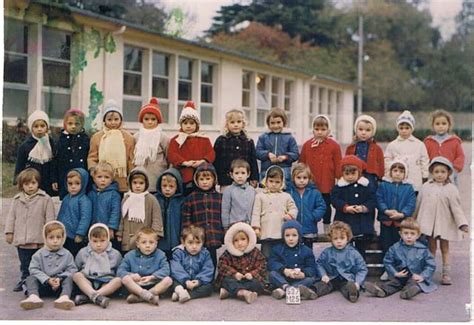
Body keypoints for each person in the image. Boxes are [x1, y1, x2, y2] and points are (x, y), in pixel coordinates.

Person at [413, 156, 468, 285]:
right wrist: (413, 220)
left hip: (444, 223)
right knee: (431, 247)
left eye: (443, 172)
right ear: (432, 172)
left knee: (445, 247)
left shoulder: (451, 189)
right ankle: (430, 271)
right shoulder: (426, 186)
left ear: (448, 173)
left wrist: (462, 224)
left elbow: (456, 208)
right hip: (429, 223)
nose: (439, 175)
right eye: (436, 172)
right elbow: (418, 204)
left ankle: (446, 272)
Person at [5, 168, 55, 292]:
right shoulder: (17, 200)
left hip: (38, 238)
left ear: (38, 183)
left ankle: (40, 281)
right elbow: (11, 217)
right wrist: (9, 232)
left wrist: (51, 235)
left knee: (40, 262)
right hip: (22, 238)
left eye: (33, 183)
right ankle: (25, 280)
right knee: (25, 263)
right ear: (22, 185)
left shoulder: (45, 199)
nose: (30, 187)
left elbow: (50, 219)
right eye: (27, 184)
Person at [365, 218, 437, 300]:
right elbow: (388, 261)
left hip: (415, 276)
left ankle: (408, 292)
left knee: (414, 283)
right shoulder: (395, 248)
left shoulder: (423, 250)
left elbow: (430, 265)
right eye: (406, 233)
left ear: (418, 235)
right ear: (400, 234)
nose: (409, 236)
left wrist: (422, 276)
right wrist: (395, 273)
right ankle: (381, 291)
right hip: (400, 275)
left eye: (412, 234)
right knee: (393, 283)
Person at [20, 221, 77, 310]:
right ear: (45, 238)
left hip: (59, 286)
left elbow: (72, 269)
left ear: (63, 238)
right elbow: (33, 269)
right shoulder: (38, 254)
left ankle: (64, 297)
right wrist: (47, 279)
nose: (55, 241)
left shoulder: (67, 254)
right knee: (30, 278)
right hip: (43, 285)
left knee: (69, 279)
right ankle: (34, 297)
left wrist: (60, 278)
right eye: (51, 237)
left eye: (58, 237)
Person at [299, 114, 342, 234]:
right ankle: (310, 227)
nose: (320, 132)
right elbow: (302, 162)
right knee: (310, 205)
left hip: (327, 182)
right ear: (312, 129)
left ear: (328, 130)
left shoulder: (334, 146)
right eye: (317, 129)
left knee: (326, 205)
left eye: (323, 129)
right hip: (311, 183)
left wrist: (339, 178)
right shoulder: (308, 145)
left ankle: (326, 226)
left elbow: (338, 163)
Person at [376, 159, 416, 280]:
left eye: (401, 171)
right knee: (386, 245)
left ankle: (402, 269)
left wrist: (402, 214)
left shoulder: (408, 188)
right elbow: (379, 199)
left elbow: (411, 203)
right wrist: (386, 210)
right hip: (387, 221)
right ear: (390, 172)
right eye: (395, 170)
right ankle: (388, 270)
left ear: (405, 174)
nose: (397, 173)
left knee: (400, 246)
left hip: (401, 223)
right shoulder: (384, 185)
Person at [331, 155, 377, 257]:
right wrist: (345, 207)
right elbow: (334, 200)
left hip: (363, 224)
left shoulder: (366, 185)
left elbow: (373, 199)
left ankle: (360, 267)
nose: (350, 176)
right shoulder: (339, 187)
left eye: (353, 173)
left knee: (361, 250)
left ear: (359, 172)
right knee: (344, 247)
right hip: (345, 221)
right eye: (347, 174)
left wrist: (364, 207)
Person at [312, 221, 368, 303]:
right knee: (322, 285)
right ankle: (312, 292)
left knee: (347, 286)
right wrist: (323, 275)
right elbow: (319, 264)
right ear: (331, 239)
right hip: (331, 278)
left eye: (342, 238)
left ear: (348, 238)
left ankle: (352, 294)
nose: (339, 241)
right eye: (335, 238)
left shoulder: (353, 253)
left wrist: (357, 282)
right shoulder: (327, 252)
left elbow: (362, 269)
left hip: (346, 278)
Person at [182, 163, 224, 268]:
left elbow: (224, 216)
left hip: (213, 234)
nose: (205, 182)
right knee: (197, 260)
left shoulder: (220, 197)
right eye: (201, 179)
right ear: (196, 181)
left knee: (212, 259)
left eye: (208, 179)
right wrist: (188, 234)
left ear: (214, 179)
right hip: (197, 236)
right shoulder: (191, 198)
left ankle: (210, 281)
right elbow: (186, 218)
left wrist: (223, 231)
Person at [168, 101, 215, 194]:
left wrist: (202, 161)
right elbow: (172, 154)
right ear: (181, 125)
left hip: (201, 174)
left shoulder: (204, 139)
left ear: (196, 125)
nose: (188, 126)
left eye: (191, 123)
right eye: (185, 123)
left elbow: (211, 153)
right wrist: (185, 162)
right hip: (183, 174)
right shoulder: (176, 140)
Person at [88, 99, 135, 193]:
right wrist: (93, 171)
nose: (113, 122)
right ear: (104, 120)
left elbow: (131, 159)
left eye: (116, 119)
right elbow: (92, 157)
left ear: (121, 120)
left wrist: (132, 176)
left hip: (121, 179)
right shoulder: (97, 137)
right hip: (103, 178)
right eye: (109, 119)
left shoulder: (128, 137)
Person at [117, 227, 173, 305]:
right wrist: (131, 275)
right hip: (136, 285)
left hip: (153, 284)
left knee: (168, 280)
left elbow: (166, 270)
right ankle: (144, 294)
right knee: (125, 279)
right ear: (137, 244)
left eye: (151, 242)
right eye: (144, 242)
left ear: (156, 243)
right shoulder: (130, 255)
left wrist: (153, 277)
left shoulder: (161, 255)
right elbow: (120, 271)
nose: (147, 246)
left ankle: (143, 296)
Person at [251, 165, 298, 258]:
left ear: (282, 183)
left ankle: (279, 270)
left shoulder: (286, 196)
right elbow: (256, 213)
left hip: (280, 230)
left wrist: (290, 215)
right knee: (266, 254)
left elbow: (294, 208)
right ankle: (267, 271)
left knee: (280, 254)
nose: (273, 184)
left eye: (277, 182)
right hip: (266, 230)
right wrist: (256, 227)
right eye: (271, 181)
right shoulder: (260, 196)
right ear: (266, 181)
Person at [73, 223, 122, 308]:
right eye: (95, 241)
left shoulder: (115, 254)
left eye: (102, 241)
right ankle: (94, 295)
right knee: (77, 275)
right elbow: (75, 268)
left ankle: (89, 297)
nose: (98, 244)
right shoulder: (83, 252)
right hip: (88, 281)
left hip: (106, 282)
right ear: (89, 240)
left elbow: (119, 270)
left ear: (108, 239)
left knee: (118, 280)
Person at [217, 222, 267, 304]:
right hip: (235, 280)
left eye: (243, 239)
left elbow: (262, 265)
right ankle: (242, 293)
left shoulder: (255, 252)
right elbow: (222, 265)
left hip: (249, 280)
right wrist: (235, 274)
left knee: (258, 284)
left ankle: (229, 292)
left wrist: (252, 274)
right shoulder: (228, 253)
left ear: (248, 239)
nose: (240, 243)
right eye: (236, 240)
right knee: (226, 281)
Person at [268, 220, 317, 300]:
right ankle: (289, 288)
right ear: (283, 236)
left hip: (299, 278)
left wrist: (303, 273)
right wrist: (284, 270)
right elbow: (272, 262)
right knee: (272, 274)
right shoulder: (278, 249)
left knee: (310, 279)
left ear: (299, 236)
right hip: (283, 277)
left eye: (294, 235)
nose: (291, 239)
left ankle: (284, 291)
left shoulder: (306, 250)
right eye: (287, 235)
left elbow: (311, 267)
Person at [117, 168, 163, 253]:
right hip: (129, 235)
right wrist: (120, 232)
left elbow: (156, 218)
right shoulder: (127, 199)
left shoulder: (151, 199)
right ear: (130, 183)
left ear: (146, 184)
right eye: (135, 183)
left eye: (141, 183)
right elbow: (122, 217)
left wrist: (155, 233)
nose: (138, 186)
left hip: (146, 237)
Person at [384, 110, 429, 193]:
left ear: (412, 129)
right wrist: (388, 176)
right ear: (397, 128)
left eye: (407, 128)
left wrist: (425, 176)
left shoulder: (419, 144)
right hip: (397, 180)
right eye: (401, 128)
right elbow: (387, 160)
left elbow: (424, 160)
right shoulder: (392, 145)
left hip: (415, 180)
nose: (404, 131)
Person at [14, 110, 57, 197]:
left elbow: (54, 163)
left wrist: (54, 180)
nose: (39, 129)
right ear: (31, 128)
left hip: (47, 181)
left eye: (42, 126)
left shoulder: (51, 143)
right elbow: (20, 165)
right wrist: (18, 180)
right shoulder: (25, 146)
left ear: (47, 127)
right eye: (36, 126)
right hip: (32, 182)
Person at [213, 109, 259, 190]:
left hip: (244, 180)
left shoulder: (248, 141)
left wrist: (254, 178)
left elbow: (253, 161)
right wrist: (215, 176)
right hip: (226, 180)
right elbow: (216, 161)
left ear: (243, 124)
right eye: (232, 122)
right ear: (227, 124)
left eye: (238, 122)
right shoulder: (221, 140)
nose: (236, 125)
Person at [133, 98, 170, 193]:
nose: (150, 122)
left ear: (158, 120)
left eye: (153, 119)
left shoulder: (163, 137)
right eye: (146, 119)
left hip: (157, 174)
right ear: (142, 120)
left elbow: (168, 156)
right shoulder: (137, 136)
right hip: (140, 178)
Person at [170, 225, 214, 303]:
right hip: (182, 281)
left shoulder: (205, 253)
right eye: (190, 243)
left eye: (198, 243)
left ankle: (187, 294)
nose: (194, 246)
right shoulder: (178, 252)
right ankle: (180, 291)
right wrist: (185, 281)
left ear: (203, 242)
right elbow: (176, 268)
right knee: (172, 281)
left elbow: (208, 269)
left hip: (196, 282)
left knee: (208, 287)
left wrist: (198, 281)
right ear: (183, 242)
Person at [286, 163, 326, 248]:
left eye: (305, 178)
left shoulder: (314, 192)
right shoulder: (289, 192)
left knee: (307, 251)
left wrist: (314, 216)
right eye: (298, 178)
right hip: (293, 229)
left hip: (309, 229)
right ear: (293, 178)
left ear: (309, 178)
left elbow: (321, 206)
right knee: (293, 251)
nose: (301, 180)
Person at [256, 108, 299, 184]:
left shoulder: (289, 138)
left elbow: (295, 154)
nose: (276, 125)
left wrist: (285, 157)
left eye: (278, 122)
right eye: (272, 123)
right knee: (266, 193)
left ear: (284, 123)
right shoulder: (263, 137)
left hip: (284, 171)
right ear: (268, 124)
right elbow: (257, 152)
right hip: (266, 171)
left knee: (283, 193)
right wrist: (267, 154)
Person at [57, 168, 92, 257]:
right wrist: (58, 227)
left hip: (75, 235)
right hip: (64, 233)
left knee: (75, 255)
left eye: (77, 183)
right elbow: (61, 214)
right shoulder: (66, 198)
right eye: (70, 184)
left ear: (83, 184)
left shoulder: (84, 200)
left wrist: (80, 233)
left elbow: (85, 218)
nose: (73, 186)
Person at [423, 109, 465, 185]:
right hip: (433, 174)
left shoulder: (454, 141)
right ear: (433, 125)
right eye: (437, 124)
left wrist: (454, 169)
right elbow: (424, 157)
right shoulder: (428, 141)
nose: (441, 126)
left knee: (450, 193)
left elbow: (460, 156)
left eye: (444, 123)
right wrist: (427, 170)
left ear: (449, 125)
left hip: (449, 174)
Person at [55, 108, 90, 199]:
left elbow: (89, 158)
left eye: (77, 124)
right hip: (64, 176)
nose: (73, 126)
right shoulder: (61, 140)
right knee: (66, 200)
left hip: (81, 176)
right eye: (70, 124)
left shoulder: (86, 140)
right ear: (65, 124)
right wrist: (54, 179)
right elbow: (55, 160)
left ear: (82, 124)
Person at [88, 162, 121, 250]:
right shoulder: (91, 194)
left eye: (106, 177)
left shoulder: (114, 194)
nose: (103, 180)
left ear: (111, 179)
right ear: (94, 178)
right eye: (99, 177)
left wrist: (111, 228)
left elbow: (115, 212)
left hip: (107, 228)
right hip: (93, 227)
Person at [345, 114, 384, 186]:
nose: (363, 133)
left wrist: (380, 178)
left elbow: (381, 164)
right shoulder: (351, 147)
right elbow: (345, 163)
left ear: (373, 132)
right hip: (354, 175)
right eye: (360, 129)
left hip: (370, 176)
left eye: (368, 130)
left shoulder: (377, 148)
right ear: (356, 130)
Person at [155, 168, 186, 260]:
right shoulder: (155, 199)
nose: (167, 189)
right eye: (164, 186)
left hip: (175, 238)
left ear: (177, 187)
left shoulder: (181, 201)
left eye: (171, 186)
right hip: (159, 240)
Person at [221, 159, 256, 230]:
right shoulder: (228, 190)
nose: (240, 176)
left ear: (248, 174)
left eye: (243, 173)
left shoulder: (252, 190)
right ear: (231, 175)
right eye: (237, 173)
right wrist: (225, 226)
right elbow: (225, 209)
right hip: (234, 224)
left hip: (250, 225)